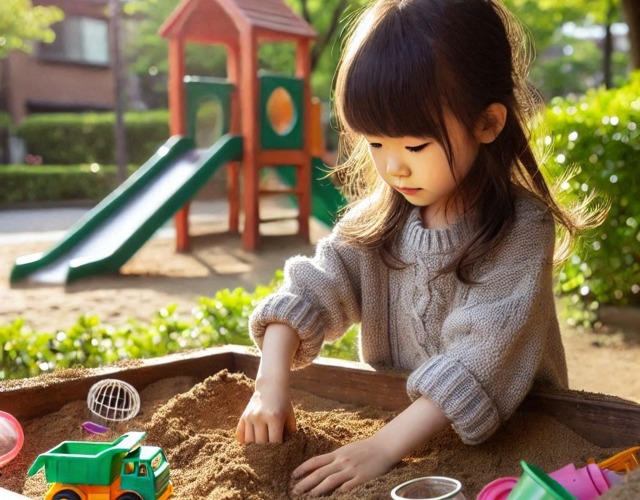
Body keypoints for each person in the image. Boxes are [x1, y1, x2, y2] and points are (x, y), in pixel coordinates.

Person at [236, 0, 600, 495]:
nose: (394, 169)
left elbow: (480, 359)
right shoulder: (378, 221)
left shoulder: (521, 228)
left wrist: (384, 447)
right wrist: (269, 384)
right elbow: (312, 289)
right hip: (397, 421)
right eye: (376, 143)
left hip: (521, 438)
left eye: (415, 147)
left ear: (487, 124)